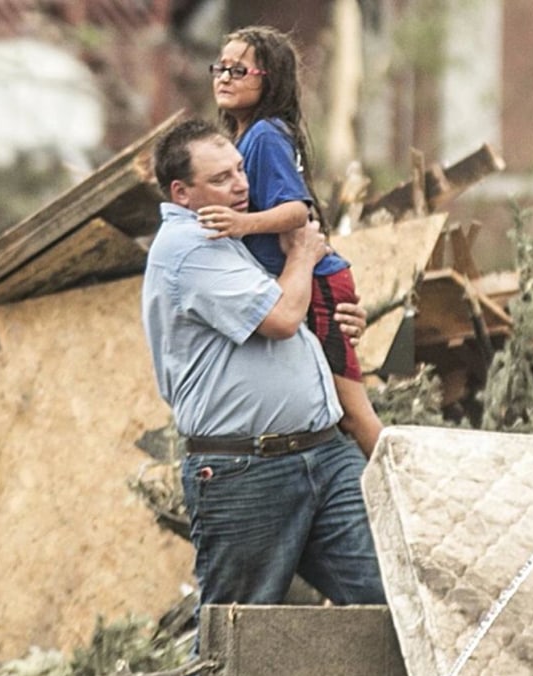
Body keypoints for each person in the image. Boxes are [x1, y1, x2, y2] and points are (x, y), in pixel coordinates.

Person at [141, 118, 386, 614]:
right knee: (238, 634)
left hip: (323, 453)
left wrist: (339, 322)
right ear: (181, 192)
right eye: (221, 179)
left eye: (239, 170)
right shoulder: (189, 249)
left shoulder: (235, 234)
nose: (240, 186)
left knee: (386, 599)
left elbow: (296, 312)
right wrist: (302, 252)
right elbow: (279, 317)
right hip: (247, 469)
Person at [198, 24, 384, 459]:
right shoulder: (249, 138)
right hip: (299, 281)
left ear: (270, 80)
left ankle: (412, 498)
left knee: (352, 410)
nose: (224, 77)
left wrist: (240, 225)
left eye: (239, 70)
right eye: (220, 68)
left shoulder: (264, 136)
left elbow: (297, 212)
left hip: (317, 281)